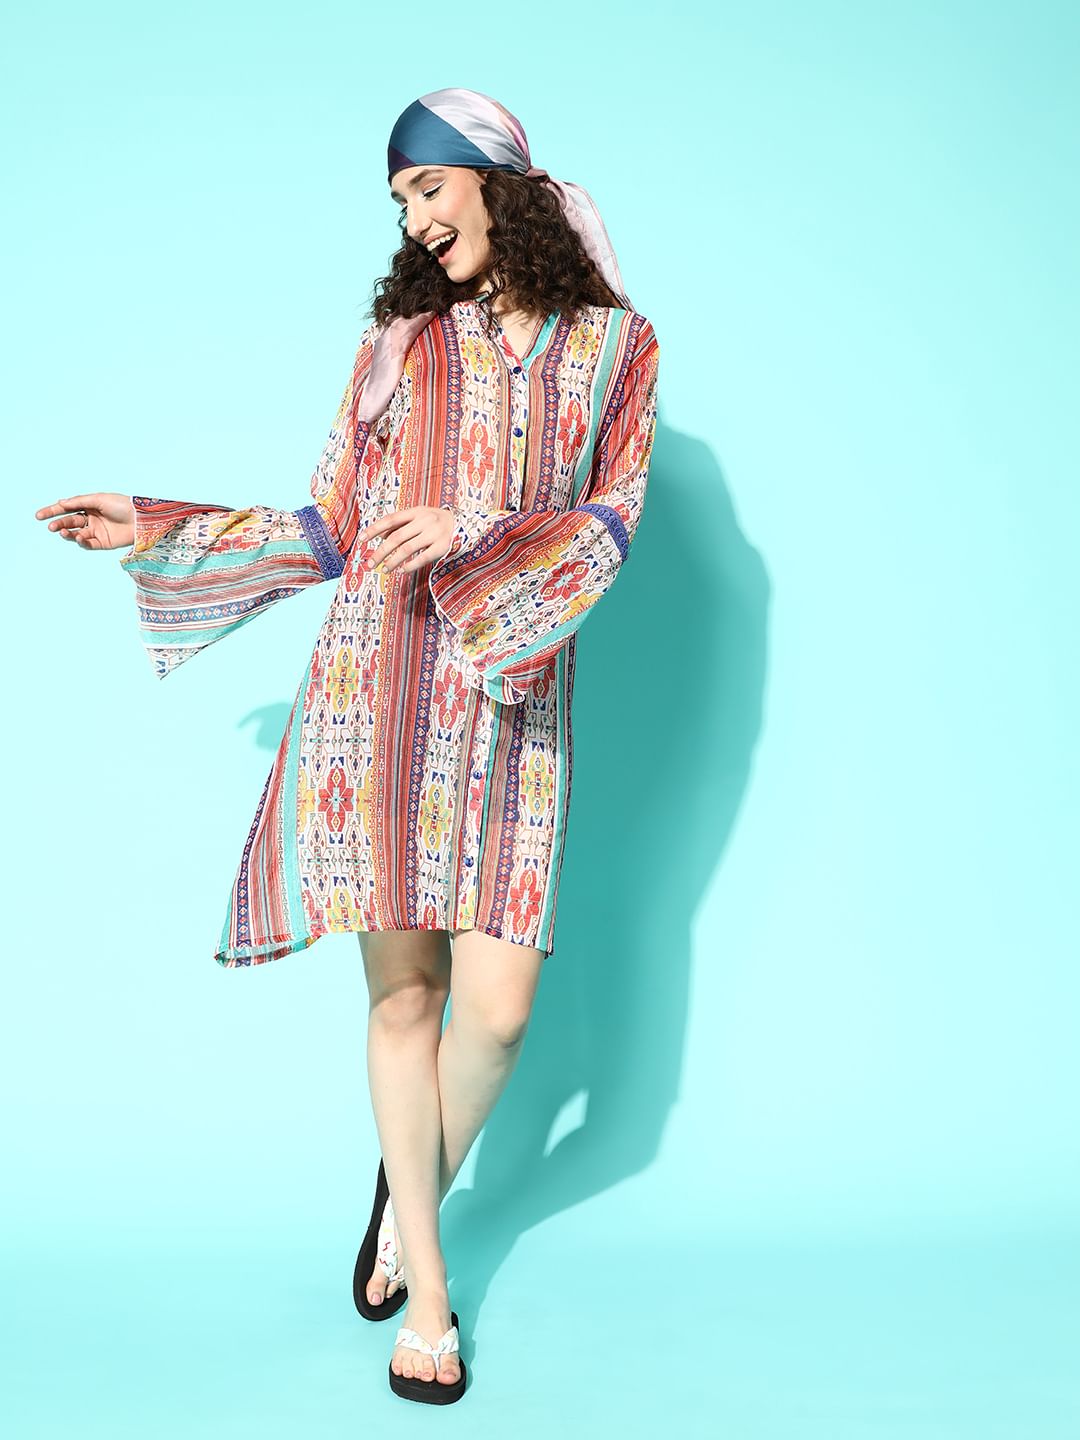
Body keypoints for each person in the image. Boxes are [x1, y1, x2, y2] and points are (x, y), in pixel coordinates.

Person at [34, 87, 660, 1405]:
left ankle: (405, 1185)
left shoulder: (619, 348)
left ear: (499, 179)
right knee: (404, 1001)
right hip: (376, 690)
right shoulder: (395, 347)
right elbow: (330, 526)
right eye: (399, 202)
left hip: (513, 699)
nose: (416, 218)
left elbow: (612, 521)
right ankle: (427, 1295)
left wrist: (477, 533)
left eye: (430, 187)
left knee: (499, 1014)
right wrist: (154, 523)